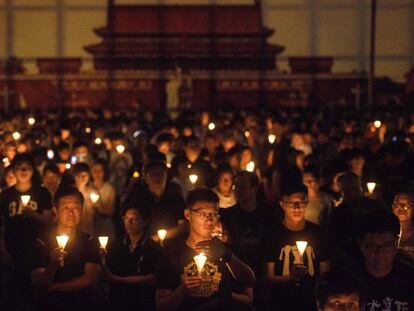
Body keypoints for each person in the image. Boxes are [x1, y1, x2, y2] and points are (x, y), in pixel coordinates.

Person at [155, 188, 255, 311]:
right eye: (202, 213)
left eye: (213, 214)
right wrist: (182, 291)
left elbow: (249, 280)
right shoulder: (173, 252)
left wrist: (226, 254)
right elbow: (160, 306)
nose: (209, 219)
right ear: (187, 214)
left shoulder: (224, 249)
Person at [30, 186, 101, 311]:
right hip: (49, 305)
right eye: (65, 207)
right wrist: (53, 264)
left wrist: (53, 287)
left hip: (81, 304)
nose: (71, 212)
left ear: (82, 209)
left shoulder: (89, 241)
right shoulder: (41, 242)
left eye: (76, 207)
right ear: (55, 211)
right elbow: (39, 284)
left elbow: (90, 279)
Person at [263, 185, 330, 311]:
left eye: (302, 203)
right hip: (280, 302)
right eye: (291, 203)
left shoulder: (318, 234)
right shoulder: (272, 235)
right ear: (282, 204)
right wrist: (290, 277)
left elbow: (325, 274)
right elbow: (267, 277)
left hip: (311, 302)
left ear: (307, 203)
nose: (297, 208)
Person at [0, 152, 52, 310]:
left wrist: (34, 215)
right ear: (13, 170)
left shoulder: (42, 193)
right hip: (12, 249)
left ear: (33, 170)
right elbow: (1, 227)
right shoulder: (6, 195)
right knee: (13, 293)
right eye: (19, 168)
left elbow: (49, 221)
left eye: (27, 168)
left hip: (37, 250)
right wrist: (3, 252)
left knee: (36, 294)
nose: (23, 171)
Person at [349, 209, 414, 310]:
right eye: (372, 246)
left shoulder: (409, 279)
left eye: (387, 245)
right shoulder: (347, 280)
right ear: (361, 245)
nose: (380, 252)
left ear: (396, 244)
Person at [103, 205, 162, 311]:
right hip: (117, 300)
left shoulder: (153, 247)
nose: (129, 223)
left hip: (143, 300)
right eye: (126, 218)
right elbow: (108, 273)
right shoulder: (115, 245)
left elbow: (151, 278)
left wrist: (117, 279)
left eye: (134, 219)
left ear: (144, 222)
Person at [392, 190, 414, 267]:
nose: (402, 207)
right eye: (397, 204)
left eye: (407, 204)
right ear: (392, 207)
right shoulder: (386, 233)